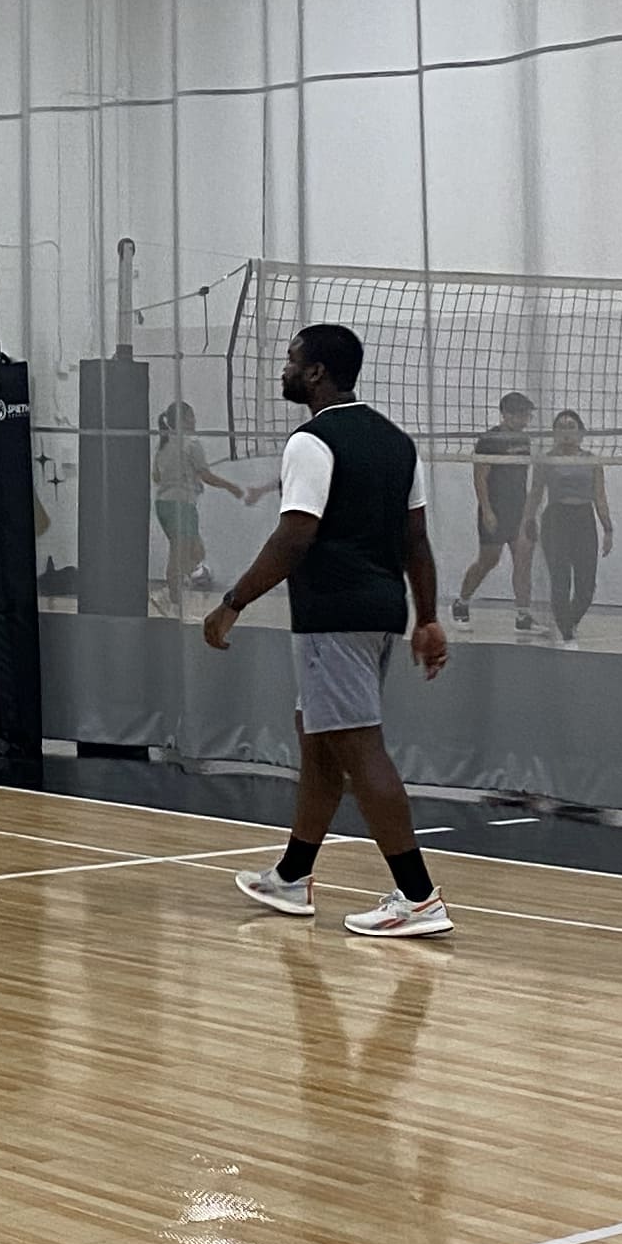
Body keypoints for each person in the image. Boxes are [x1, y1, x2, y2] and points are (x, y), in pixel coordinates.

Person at [205, 319, 451, 941]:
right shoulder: (398, 443)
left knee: (360, 748)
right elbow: (416, 541)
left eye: (291, 360)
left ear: (316, 372)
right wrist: (426, 617)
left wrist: (233, 602)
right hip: (381, 611)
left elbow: (295, 534)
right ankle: (292, 876)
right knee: (319, 741)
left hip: (333, 615)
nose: (284, 370)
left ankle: (418, 897)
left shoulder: (312, 441)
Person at [151, 401, 252, 616]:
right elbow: (206, 476)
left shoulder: (164, 445)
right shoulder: (191, 444)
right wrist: (231, 487)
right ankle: (170, 599)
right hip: (179, 504)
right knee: (179, 554)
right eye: (191, 416)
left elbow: (156, 477)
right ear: (183, 420)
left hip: (165, 505)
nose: (194, 420)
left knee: (196, 551)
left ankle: (184, 585)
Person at [452, 391, 538, 629]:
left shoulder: (524, 440)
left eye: (528, 415)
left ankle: (523, 615)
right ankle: (462, 602)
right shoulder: (490, 440)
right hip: (495, 508)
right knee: (489, 560)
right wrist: (487, 510)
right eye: (523, 414)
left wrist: (528, 512)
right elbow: (480, 476)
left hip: (519, 509)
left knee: (523, 561)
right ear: (507, 414)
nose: (526, 419)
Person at [526, 410, 611, 645]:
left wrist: (608, 529)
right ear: (554, 433)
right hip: (556, 519)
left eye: (571, 427)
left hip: (584, 520)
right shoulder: (546, 460)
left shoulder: (592, 460)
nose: (566, 433)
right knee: (560, 581)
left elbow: (600, 497)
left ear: (581, 433)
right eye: (561, 427)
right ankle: (566, 632)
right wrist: (529, 520)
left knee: (586, 588)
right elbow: (535, 493)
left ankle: (569, 621)